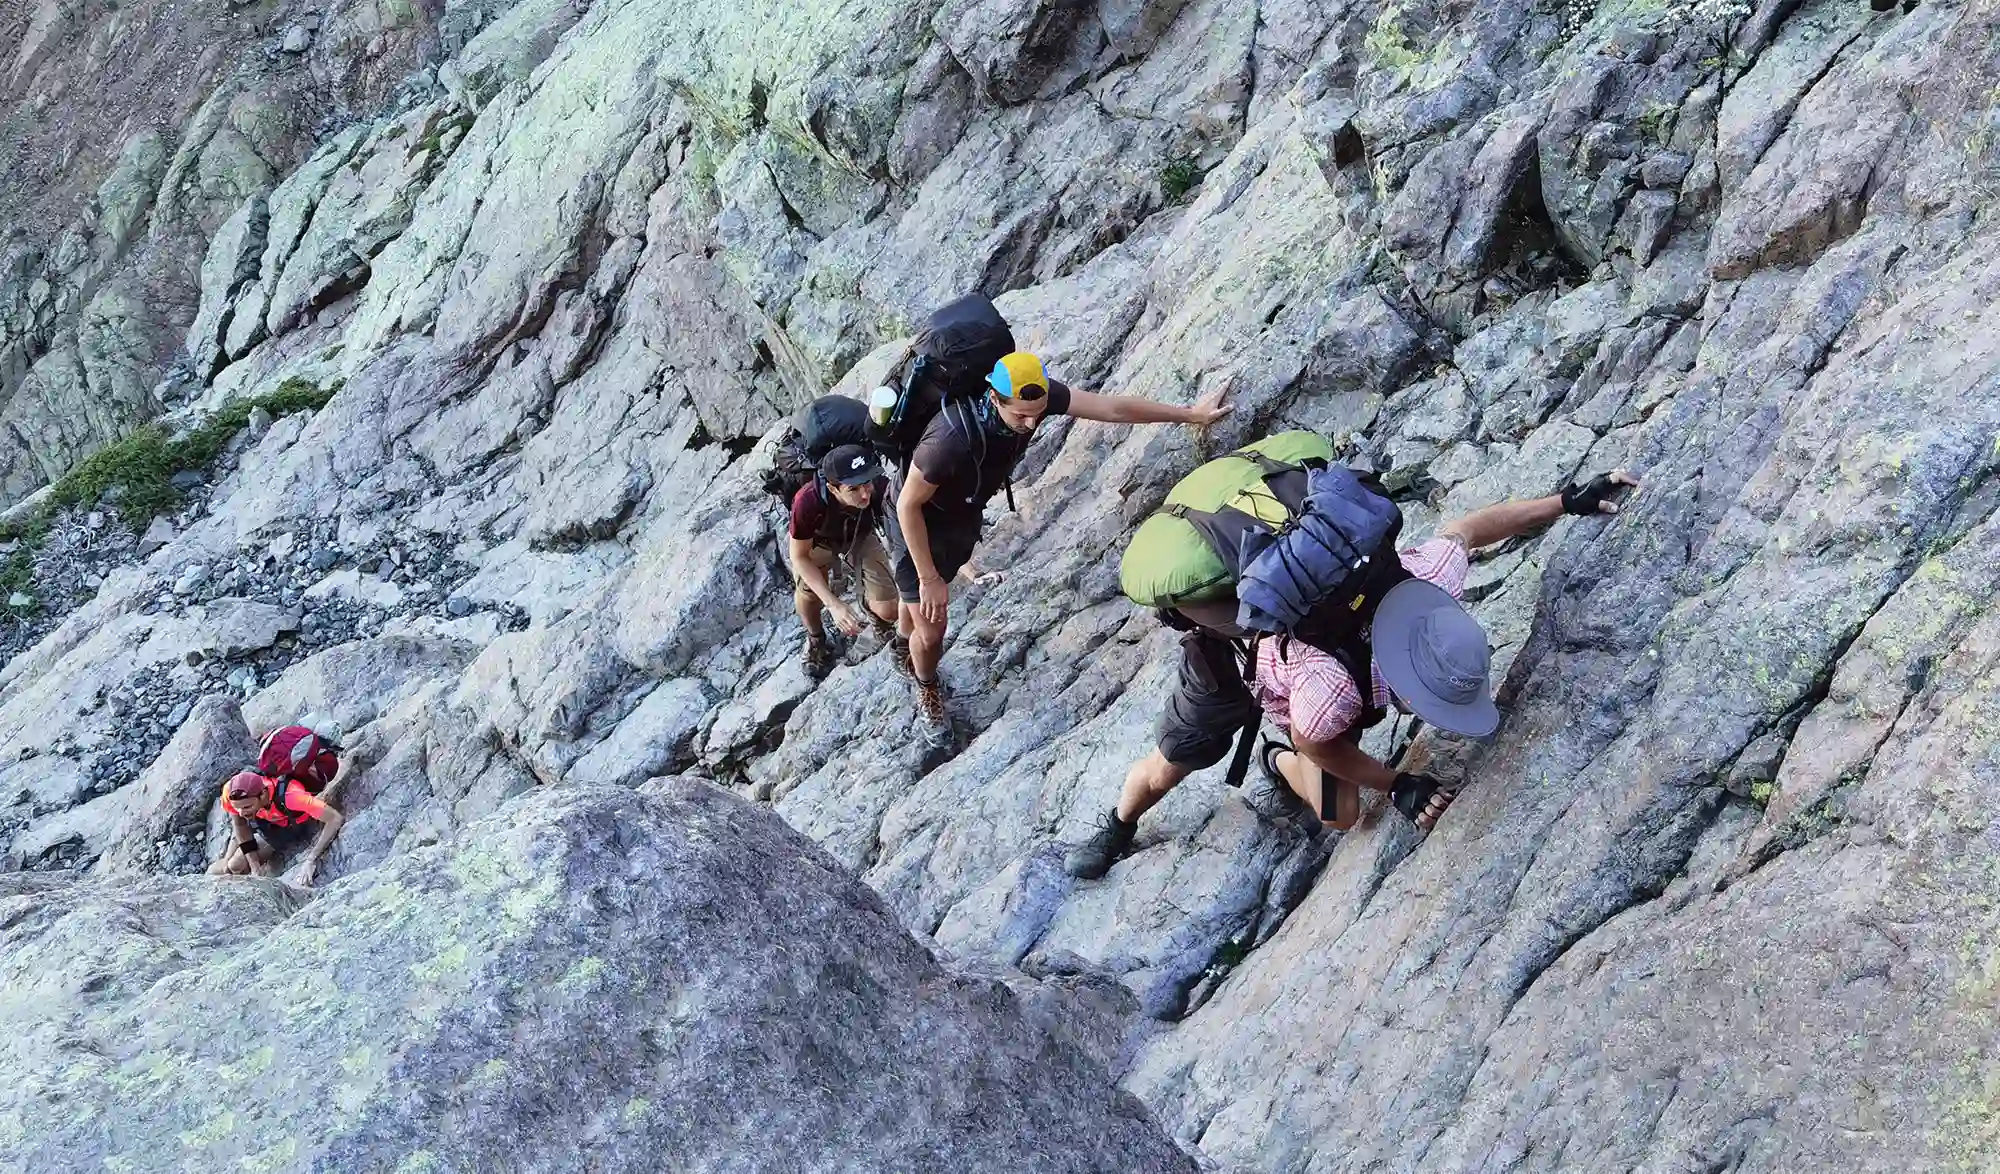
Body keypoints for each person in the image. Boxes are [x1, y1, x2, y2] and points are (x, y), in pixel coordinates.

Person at [1064, 469, 1641, 879]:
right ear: (1410, 689)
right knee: (1169, 768)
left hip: (1307, 651)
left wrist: (1567, 501)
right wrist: (1399, 785)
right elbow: (1316, 739)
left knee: (1338, 815)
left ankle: (1275, 766)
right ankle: (1119, 822)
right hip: (1235, 665)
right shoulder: (1330, 693)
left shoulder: (1429, 581)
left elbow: (1468, 529)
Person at [888, 351, 1232, 725]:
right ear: (993, 397)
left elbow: (1113, 409)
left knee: (917, 615)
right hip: (915, 519)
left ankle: (903, 640)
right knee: (934, 628)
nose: (1031, 421)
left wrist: (1189, 414)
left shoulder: (1035, 400)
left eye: (1037, 412)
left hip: (957, 513)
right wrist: (928, 578)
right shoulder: (948, 439)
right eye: (1020, 414)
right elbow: (908, 505)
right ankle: (926, 682)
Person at [789, 443, 900, 674]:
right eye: (853, 489)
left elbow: (909, 523)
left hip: (860, 534)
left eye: (867, 483)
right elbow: (799, 557)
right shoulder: (807, 501)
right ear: (833, 489)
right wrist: (834, 604)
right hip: (818, 541)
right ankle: (816, 638)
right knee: (809, 594)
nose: (864, 494)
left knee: (889, 609)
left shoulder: (879, 487)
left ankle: (878, 622)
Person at [207, 721, 349, 885]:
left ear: (263, 794)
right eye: (238, 808)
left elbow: (334, 818)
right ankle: (205, 880)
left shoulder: (292, 796)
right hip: (260, 818)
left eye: (246, 807)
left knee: (235, 865)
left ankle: (216, 876)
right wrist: (255, 868)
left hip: (280, 826)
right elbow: (240, 824)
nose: (241, 812)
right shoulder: (232, 792)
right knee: (227, 867)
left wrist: (310, 860)